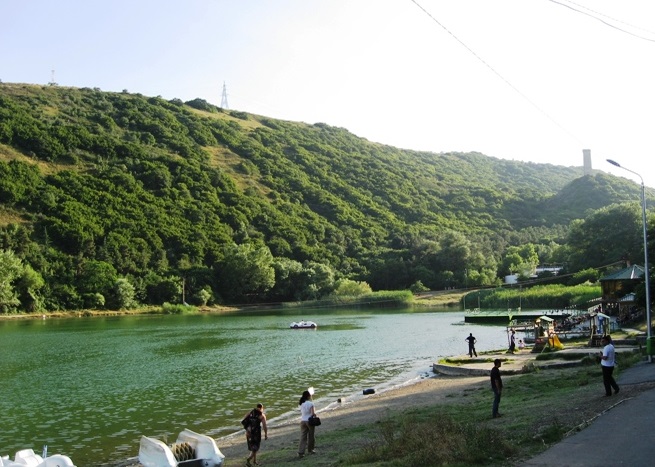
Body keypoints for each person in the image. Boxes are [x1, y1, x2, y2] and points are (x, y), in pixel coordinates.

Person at [298, 390, 316, 458]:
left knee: (303, 437)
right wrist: (315, 414)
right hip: (309, 421)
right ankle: (310, 449)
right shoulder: (310, 403)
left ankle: (301, 452)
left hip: (303, 421)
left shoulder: (301, 403)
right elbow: (312, 414)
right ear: (308, 396)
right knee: (311, 436)